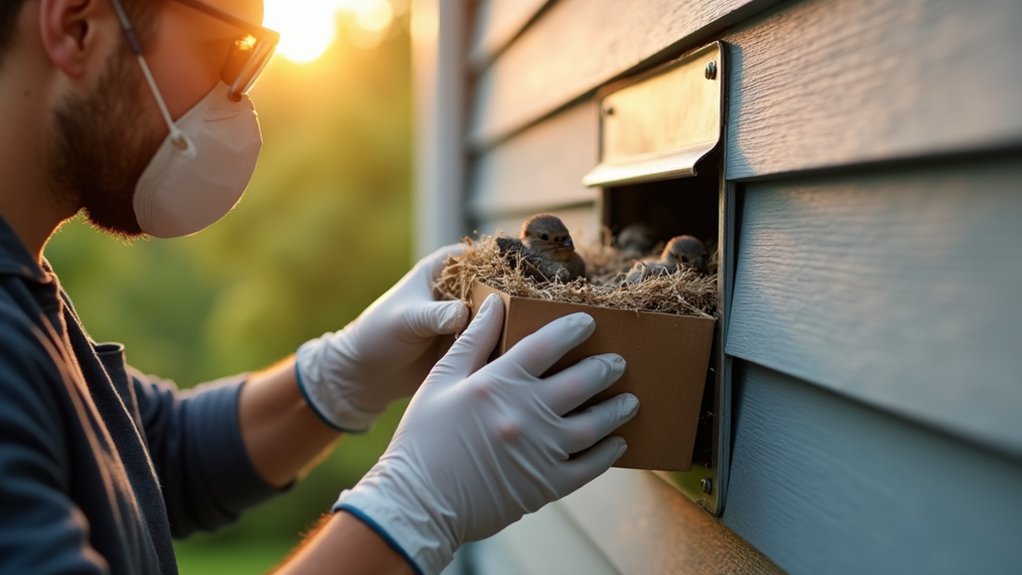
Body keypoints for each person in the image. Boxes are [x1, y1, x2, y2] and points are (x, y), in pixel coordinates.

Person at [0, 0, 640, 573]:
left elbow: (150, 455)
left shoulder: (24, 288)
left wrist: (339, 376)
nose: (235, 99)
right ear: (77, 27)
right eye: (224, 52)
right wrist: (413, 510)